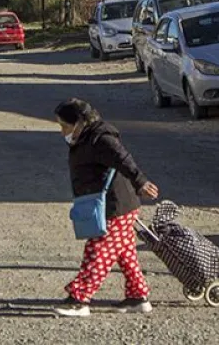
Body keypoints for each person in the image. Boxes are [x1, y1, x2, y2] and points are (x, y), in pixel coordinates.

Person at [53, 98, 160, 318]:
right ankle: (138, 297)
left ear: (80, 122)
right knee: (125, 252)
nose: (62, 131)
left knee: (98, 251)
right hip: (109, 204)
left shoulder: (101, 138)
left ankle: (79, 299)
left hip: (116, 206)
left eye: (65, 125)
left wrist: (141, 182)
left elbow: (124, 159)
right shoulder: (84, 137)